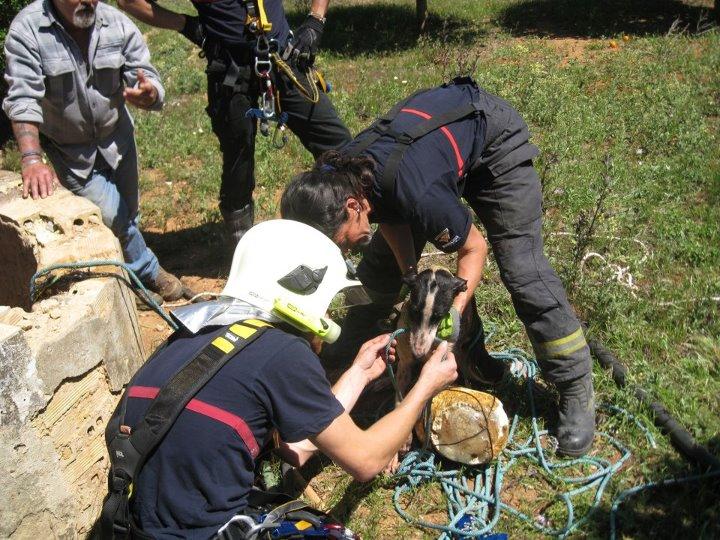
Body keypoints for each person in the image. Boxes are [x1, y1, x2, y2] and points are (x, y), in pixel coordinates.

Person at [280, 77, 596, 458]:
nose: (344, 248)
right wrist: (410, 276)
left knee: (523, 271)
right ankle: (354, 342)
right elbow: (391, 212)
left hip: (493, 145)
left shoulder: (412, 189)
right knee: (380, 264)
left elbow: (473, 248)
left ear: (351, 207)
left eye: (340, 239)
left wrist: (454, 318)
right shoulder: (342, 173)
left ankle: (575, 386)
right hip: (429, 159)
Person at [103, 219, 458, 538]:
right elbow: (365, 461)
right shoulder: (282, 352)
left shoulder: (190, 335)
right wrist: (425, 386)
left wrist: (358, 374)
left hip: (131, 525)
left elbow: (298, 448)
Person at [117, 0, 352, 244]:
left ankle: (356, 221)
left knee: (338, 145)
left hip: (284, 58)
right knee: (237, 157)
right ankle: (241, 242)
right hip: (230, 69)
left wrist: (316, 19)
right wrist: (184, 24)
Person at [3, 0, 185, 301]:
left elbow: (146, 74)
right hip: (71, 151)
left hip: (118, 139)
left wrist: (150, 93)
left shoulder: (115, 23)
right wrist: (32, 159)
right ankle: (150, 273)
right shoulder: (27, 31)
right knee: (115, 216)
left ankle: (126, 279)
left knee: (128, 210)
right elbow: (23, 98)